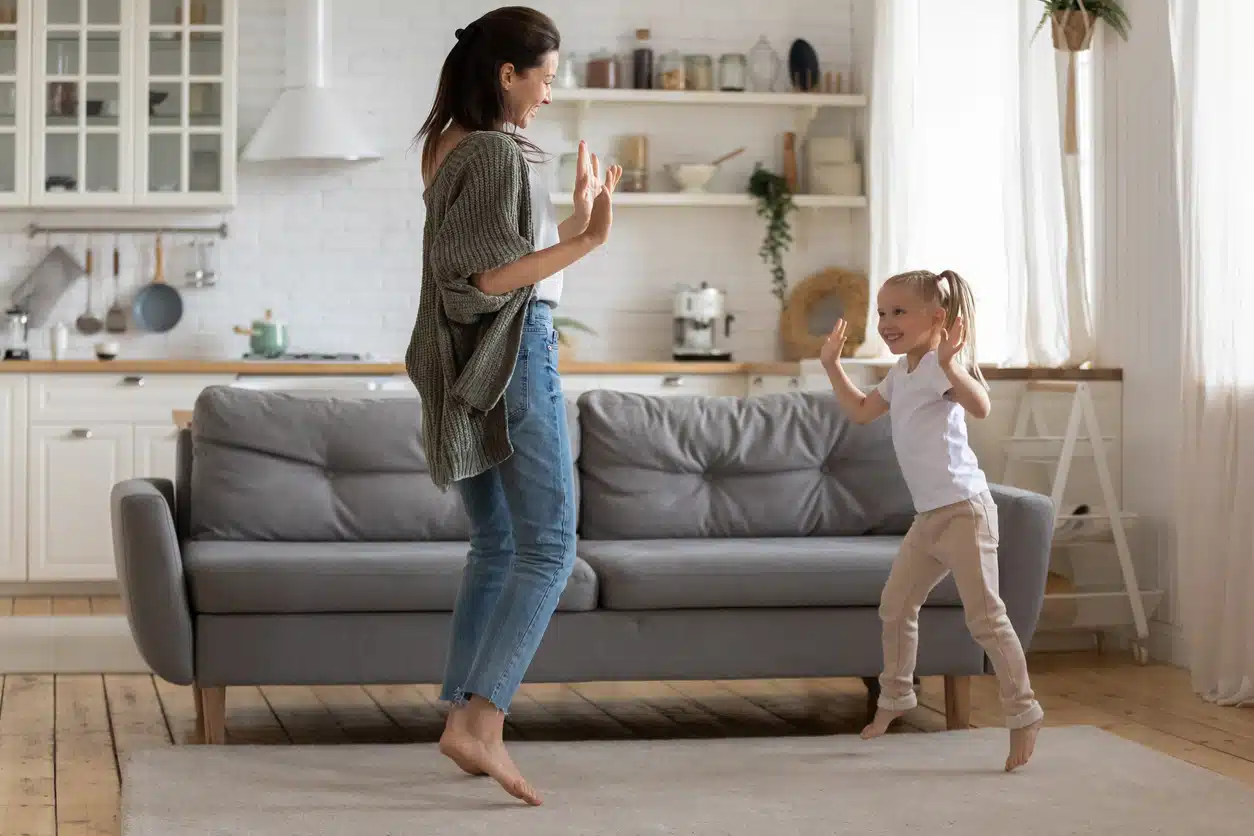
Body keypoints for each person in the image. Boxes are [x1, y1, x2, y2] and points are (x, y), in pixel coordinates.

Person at [404, 6, 622, 806]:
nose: (550, 96)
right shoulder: (497, 152)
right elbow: (484, 286)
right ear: (509, 74)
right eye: (548, 79)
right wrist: (590, 241)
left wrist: (576, 221)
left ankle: (463, 711)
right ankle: (482, 722)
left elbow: (500, 255)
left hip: (472, 362)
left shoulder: (447, 146)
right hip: (514, 354)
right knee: (549, 547)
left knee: (496, 544)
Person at [819, 269, 1044, 772]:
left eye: (899, 311)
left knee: (986, 618)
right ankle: (896, 697)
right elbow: (858, 412)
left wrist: (951, 364)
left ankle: (1024, 710)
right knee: (896, 606)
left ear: (936, 318)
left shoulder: (943, 368)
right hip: (929, 519)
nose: (886, 321)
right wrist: (832, 366)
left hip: (966, 511)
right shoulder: (901, 373)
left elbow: (981, 407)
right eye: (881, 312)